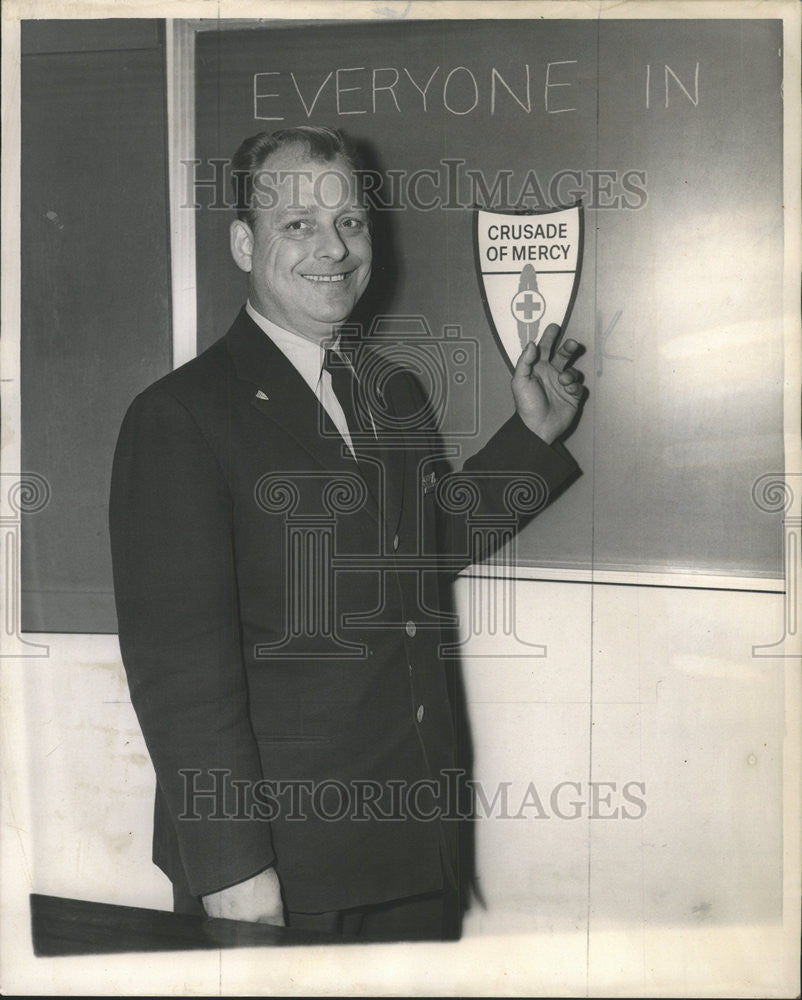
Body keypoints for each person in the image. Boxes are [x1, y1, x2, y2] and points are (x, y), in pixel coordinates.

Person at [109, 126, 586, 941]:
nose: (333, 248)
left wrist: (530, 439)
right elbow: (179, 674)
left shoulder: (389, 391)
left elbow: (418, 548)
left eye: (352, 223)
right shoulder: (180, 416)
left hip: (412, 843)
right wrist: (232, 871)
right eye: (298, 223)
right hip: (283, 868)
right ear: (242, 241)